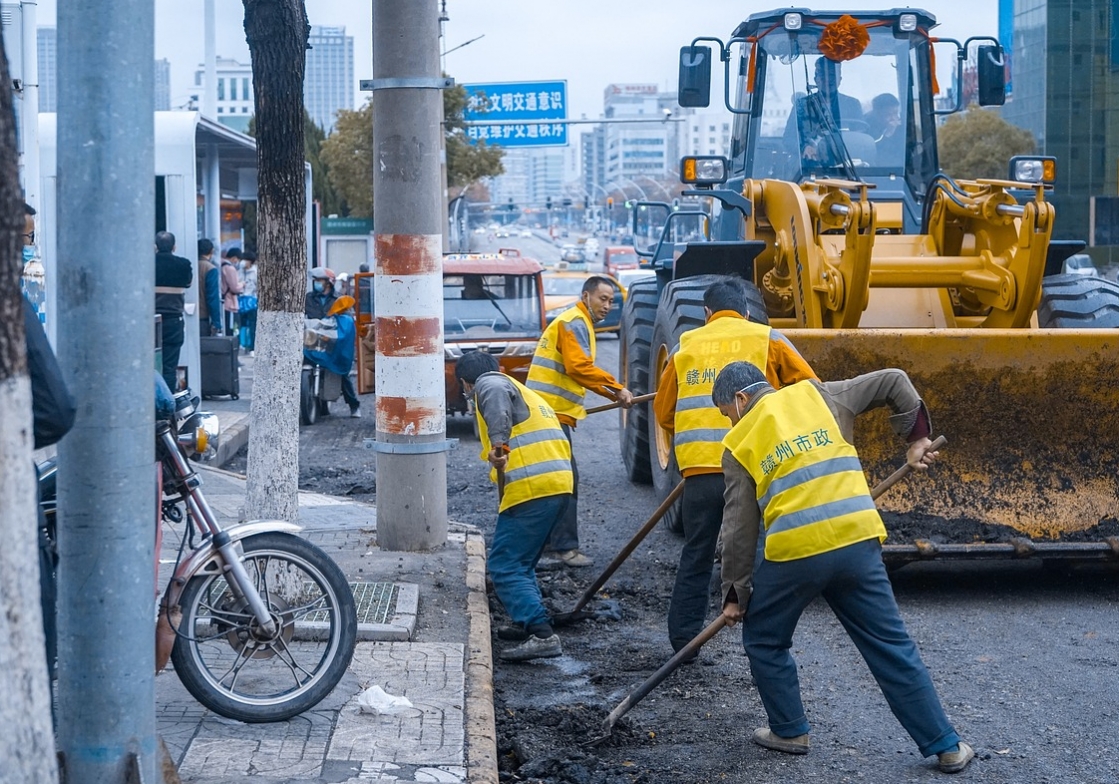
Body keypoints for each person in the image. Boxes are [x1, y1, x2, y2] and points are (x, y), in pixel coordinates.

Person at [711, 361, 975, 775]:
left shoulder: (738, 440)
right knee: (890, 646)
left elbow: (739, 526)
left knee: (764, 639)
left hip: (795, 554)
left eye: (727, 411)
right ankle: (946, 745)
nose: (730, 420)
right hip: (857, 542)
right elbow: (894, 380)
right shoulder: (821, 393)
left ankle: (790, 730)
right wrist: (916, 438)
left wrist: (735, 594)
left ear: (740, 399)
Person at [652, 278, 816, 658]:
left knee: (696, 552)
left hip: (701, 477)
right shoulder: (768, 339)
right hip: (755, 467)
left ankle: (684, 642)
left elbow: (663, 413)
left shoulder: (684, 347)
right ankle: (762, 639)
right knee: (757, 554)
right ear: (745, 311)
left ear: (706, 314)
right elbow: (811, 390)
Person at [456, 350, 573, 662]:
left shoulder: (490, 384)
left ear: (467, 383)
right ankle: (527, 620)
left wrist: (499, 446)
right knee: (522, 563)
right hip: (556, 484)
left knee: (505, 565)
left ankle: (541, 633)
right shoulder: (524, 392)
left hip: (532, 487)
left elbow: (492, 394)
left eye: (466, 388)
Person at [525, 275, 634, 567]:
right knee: (565, 481)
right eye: (603, 298)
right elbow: (579, 367)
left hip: (549, 414)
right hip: (549, 415)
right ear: (586, 296)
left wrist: (611, 392)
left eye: (612, 301)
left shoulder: (576, 321)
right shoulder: (574, 321)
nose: (608, 306)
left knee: (555, 480)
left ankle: (549, 546)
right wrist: (616, 389)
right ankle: (563, 549)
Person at [783, 57, 865, 169]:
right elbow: (788, 138)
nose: (828, 80)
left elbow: (860, 137)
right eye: (823, 76)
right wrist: (804, 147)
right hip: (810, 167)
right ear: (816, 79)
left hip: (846, 167)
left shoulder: (852, 105)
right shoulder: (801, 105)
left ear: (840, 79)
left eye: (832, 76)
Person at [154, 230, 193, 391]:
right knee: (170, 366)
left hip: (150, 321)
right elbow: (188, 283)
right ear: (174, 247)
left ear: (155, 247)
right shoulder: (183, 265)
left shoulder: (146, 264)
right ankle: (167, 407)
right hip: (174, 320)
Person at [864, 92, 904, 161]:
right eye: (888, 115)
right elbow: (875, 154)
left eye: (896, 113)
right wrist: (888, 133)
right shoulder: (866, 129)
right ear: (877, 114)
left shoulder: (901, 128)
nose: (894, 118)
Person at [197, 238, 222, 337]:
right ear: (211, 251)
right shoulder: (210, 269)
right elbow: (212, 297)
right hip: (203, 317)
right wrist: (216, 322)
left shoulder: (191, 265)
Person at [219, 246, 243, 337]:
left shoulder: (220, 265)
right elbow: (235, 288)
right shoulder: (230, 268)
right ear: (234, 258)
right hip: (230, 304)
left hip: (222, 302)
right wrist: (242, 284)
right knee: (233, 330)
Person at [237, 251, 259, 353]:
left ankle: (252, 346)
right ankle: (242, 344)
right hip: (241, 300)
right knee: (242, 324)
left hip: (252, 300)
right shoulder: (240, 271)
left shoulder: (255, 272)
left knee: (252, 324)